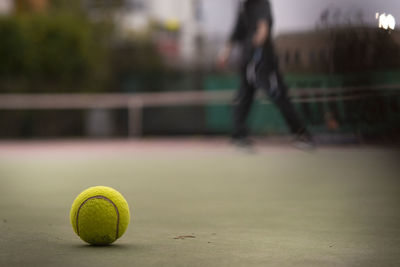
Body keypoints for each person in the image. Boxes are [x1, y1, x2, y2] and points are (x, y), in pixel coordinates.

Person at [217, 0, 314, 149]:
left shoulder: (261, 3)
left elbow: (263, 28)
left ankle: (302, 134)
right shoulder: (243, 7)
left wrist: (258, 41)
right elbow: (235, 34)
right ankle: (238, 134)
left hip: (263, 62)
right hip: (249, 61)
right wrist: (226, 53)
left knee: (279, 95)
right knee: (244, 97)